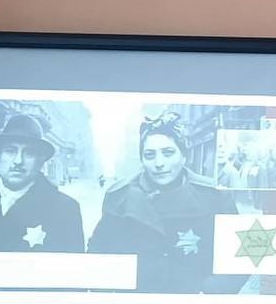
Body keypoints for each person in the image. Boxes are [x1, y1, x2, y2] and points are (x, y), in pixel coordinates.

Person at [88, 114, 243, 293]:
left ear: (183, 156)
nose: (159, 163)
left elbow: (239, 256)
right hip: (135, 303)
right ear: (142, 160)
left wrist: (210, 292)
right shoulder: (119, 197)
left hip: (191, 303)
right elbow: (98, 253)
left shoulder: (214, 196)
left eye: (168, 153)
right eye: (149, 155)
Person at [0, 114, 84, 256]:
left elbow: (71, 267)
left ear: (41, 161)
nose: (18, 161)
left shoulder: (65, 209)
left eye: (29, 153)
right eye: (10, 151)